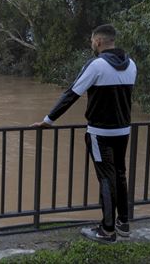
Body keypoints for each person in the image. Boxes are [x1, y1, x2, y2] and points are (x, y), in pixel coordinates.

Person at [31, 24, 137, 243]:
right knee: (120, 174)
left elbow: (72, 94)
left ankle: (107, 231)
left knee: (106, 178)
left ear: (98, 42)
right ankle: (123, 223)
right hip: (124, 130)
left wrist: (48, 120)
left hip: (100, 133)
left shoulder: (96, 65)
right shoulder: (131, 64)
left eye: (92, 40)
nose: (91, 44)